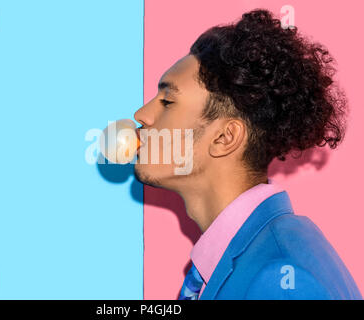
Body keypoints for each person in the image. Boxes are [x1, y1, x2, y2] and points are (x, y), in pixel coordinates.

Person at [132, 9, 361, 299]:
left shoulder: (280, 281)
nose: (142, 115)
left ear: (225, 137)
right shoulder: (255, 255)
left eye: (167, 101)